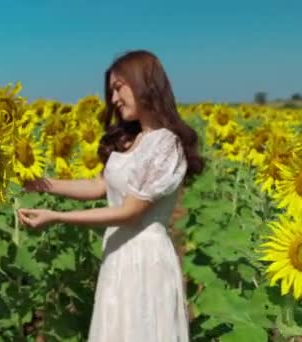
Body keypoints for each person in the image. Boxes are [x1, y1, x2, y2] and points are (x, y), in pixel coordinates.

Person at [17, 50, 204, 341]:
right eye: (111, 91)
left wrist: (57, 217)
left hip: (145, 258)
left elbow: (130, 211)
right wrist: (42, 184)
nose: (113, 99)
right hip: (119, 253)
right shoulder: (134, 140)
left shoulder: (166, 145)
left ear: (145, 83)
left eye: (118, 88)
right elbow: (99, 186)